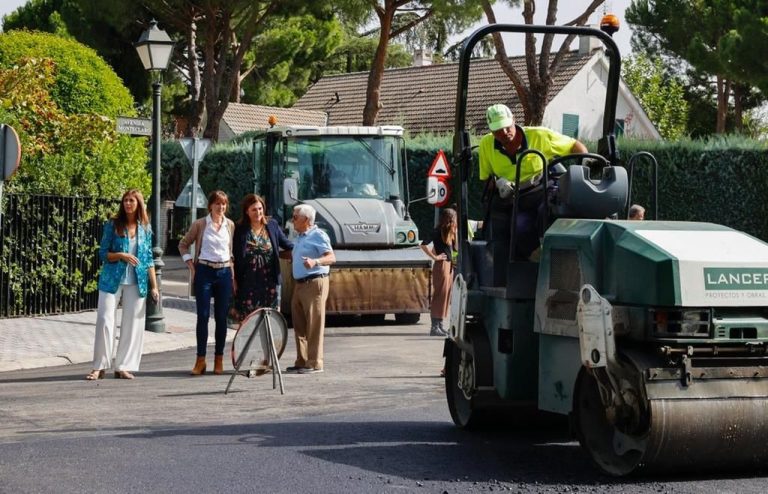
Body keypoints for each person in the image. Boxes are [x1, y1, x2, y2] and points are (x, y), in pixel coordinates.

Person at [479, 103, 587, 263]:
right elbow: (486, 181)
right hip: (519, 199)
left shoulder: (539, 135)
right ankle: (535, 261)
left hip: (545, 189)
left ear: (513, 120)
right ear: (491, 130)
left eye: (507, 127)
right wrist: (499, 184)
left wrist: (586, 163)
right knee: (520, 229)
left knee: (547, 211)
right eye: (497, 130)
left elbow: (575, 146)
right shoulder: (486, 145)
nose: (504, 132)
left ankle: (554, 257)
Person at [85, 189, 158, 380]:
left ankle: (123, 366)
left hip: (137, 280)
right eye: (125, 200)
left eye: (131, 200)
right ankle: (99, 367)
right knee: (105, 321)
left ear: (139, 203)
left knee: (132, 324)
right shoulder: (113, 224)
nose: (128, 203)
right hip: (111, 280)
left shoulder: (145, 228)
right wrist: (121, 255)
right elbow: (103, 253)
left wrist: (154, 286)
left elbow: (149, 258)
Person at [179, 190, 235, 376]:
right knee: (202, 316)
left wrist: (233, 274)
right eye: (217, 203)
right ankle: (200, 360)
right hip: (204, 270)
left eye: (224, 204)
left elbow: (231, 251)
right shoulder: (200, 224)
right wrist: (191, 265)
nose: (221, 207)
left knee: (221, 318)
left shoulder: (230, 225)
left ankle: (219, 359)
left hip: (224, 272)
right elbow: (183, 244)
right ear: (210, 205)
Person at [286, 204, 335, 374]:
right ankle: (302, 360)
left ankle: (315, 363)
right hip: (300, 284)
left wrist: (315, 262)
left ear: (306, 220)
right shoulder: (299, 236)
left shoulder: (318, 235)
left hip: (314, 283)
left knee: (314, 324)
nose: (292, 220)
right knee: (299, 324)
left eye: (295, 217)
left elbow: (331, 257)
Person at [230, 194, 293, 323]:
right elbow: (231, 255)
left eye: (260, 208)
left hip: (269, 282)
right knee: (247, 321)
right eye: (254, 209)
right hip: (247, 283)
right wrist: (233, 278)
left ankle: (267, 343)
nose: (258, 212)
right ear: (247, 211)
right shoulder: (239, 229)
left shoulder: (272, 225)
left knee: (268, 320)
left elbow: (287, 244)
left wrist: (305, 247)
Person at [420, 208, 457, 337]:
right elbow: (423, 245)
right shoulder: (437, 231)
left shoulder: (448, 231)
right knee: (440, 296)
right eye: (454, 219)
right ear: (450, 219)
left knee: (445, 296)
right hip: (442, 266)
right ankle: (435, 327)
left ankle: (439, 325)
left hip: (448, 265)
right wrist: (435, 257)